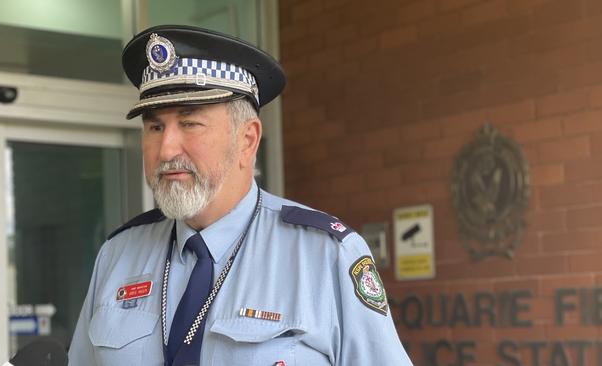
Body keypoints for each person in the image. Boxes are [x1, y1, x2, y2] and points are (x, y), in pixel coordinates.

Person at [68, 24, 412, 366]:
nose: (166, 148)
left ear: (247, 141)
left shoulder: (325, 255)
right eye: (155, 127)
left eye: (190, 123)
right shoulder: (118, 255)